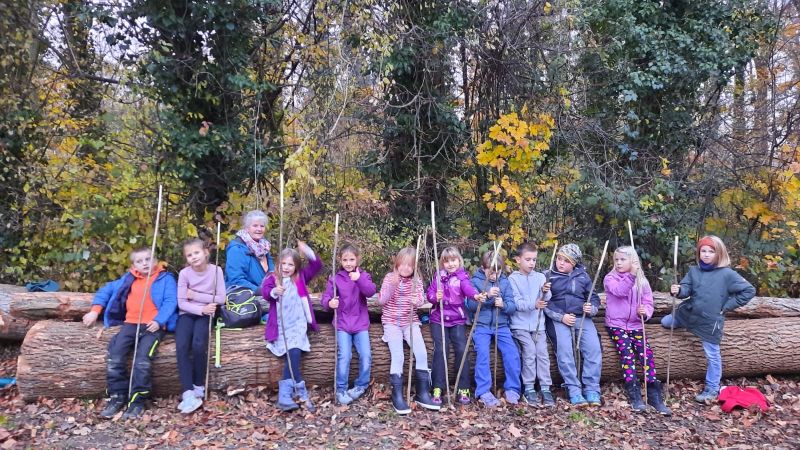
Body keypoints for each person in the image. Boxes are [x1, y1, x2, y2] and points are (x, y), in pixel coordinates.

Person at [82, 248, 178, 419]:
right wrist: (95, 311)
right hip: (130, 324)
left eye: (148, 259)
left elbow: (171, 301)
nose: (145, 263)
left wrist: (159, 320)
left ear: (155, 260)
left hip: (152, 326)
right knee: (115, 356)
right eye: (139, 261)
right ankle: (117, 396)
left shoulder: (165, 279)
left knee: (142, 361)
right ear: (134, 265)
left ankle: (137, 400)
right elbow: (106, 290)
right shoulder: (128, 279)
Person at [662, 235, 755, 403]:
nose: (706, 254)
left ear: (719, 253)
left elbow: (749, 291)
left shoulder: (727, 274)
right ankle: (684, 324)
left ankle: (712, 388)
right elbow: (686, 288)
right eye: (703, 251)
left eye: (711, 251)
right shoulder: (694, 271)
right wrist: (679, 290)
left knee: (712, 354)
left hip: (709, 321)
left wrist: (726, 306)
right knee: (665, 322)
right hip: (689, 313)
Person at [604, 246, 670, 415]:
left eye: (623, 259)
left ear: (633, 261)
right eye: (616, 260)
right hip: (616, 325)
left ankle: (654, 396)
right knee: (627, 355)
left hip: (636, 325)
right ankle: (635, 395)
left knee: (647, 356)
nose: (619, 263)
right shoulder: (610, 278)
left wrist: (645, 312)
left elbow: (648, 302)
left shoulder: (642, 281)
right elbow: (620, 291)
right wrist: (632, 275)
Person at [261, 241, 322, 412]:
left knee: (294, 352)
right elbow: (265, 292)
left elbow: (317, 265)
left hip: (298, 325)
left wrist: (306, 250)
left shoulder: (300, 278)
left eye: (291, 264)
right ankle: (299, 392)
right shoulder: (273, 278)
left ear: (296, 267)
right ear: (278, 263)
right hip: (281, 326)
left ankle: (285, 395)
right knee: (291, 355)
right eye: (283, 264)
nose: (286, 268)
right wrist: (275, 291)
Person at [377, 247, 439, 414]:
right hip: (391, 322)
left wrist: (416, 301)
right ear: (397, 264)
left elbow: (421, 299)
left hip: (410, 322)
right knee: (399, 356)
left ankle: (422, 393)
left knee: (422, 353)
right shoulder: (389, 278)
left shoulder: (416, 281)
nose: (405, 268)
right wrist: (392, 286)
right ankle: (397, 396)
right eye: (403, 264)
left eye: (410, 265)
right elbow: (381, 301)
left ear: (414, 267)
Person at [543, 243, 602, 406]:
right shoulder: (547, 276)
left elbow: (593, 298)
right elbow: (545, 302)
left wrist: (591, 308)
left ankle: (592, 388)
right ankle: (573, 389)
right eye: (559, 258)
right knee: (565, 350)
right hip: (559, 318)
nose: (561, 263)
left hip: (582, 317)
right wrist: (561, 317)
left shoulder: (583, 276)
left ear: (574, 263)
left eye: (566, 261)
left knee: (593, 348)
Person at [321, 243, 377, 405]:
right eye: (345, 260)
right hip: (343, 324)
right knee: (345, 355)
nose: (348, 263)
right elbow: (326, 298)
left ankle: (361, 386)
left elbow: (370, 291)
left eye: (352, 259)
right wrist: (329, 303)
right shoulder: (335, 278)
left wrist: (358, 279)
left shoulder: (363, 276)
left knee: (366, 354)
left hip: (360, 324)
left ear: (357, 259)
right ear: (340, 260)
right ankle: (341, 389)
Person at [174, 238, 226, 414]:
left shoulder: (216, 270)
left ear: (205, 252)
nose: (194, 257)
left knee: (198, 344)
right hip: (188, 313)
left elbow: (221, 298)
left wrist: (195, 296)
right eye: (189, 255)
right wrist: (200, 308)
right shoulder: (184, 274)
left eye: (196, 252)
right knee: (182, 345)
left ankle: (198, 387)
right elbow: (182, 302)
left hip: (207, 313)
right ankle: (188, 392)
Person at [427, 246, 483, 405]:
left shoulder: (462, 277)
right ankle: (437, 387)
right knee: (441, 349)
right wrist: (435, 297)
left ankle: (463, 388)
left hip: (457, 319)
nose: (450, 264)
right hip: (438, 319)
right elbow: (429, 293)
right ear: (442, 263)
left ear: (459, 261)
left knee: (461, 349)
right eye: (447, 261)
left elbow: (468, 289)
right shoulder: (438, 277)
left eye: (453, 260)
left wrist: (475, 296)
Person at [468, 250, 521, 408]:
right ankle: (483, 391)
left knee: (512, 353)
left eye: (497, 272)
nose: (494, 275)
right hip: (482, 326)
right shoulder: (475, 281)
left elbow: (512, 306)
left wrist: (503, 305)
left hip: (501, 326)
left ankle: (513, 388)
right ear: (483, 268)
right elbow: (471, 305)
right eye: (490, 272)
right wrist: (487, 296)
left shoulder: (505, 282)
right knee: (483, 355)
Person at [508, 242, 554, 407]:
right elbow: (516, 302)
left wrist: (545, 291)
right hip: (519, 326)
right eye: (528, 259)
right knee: (529, 351)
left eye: (534, 260)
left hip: (538, 325)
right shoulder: (513, 279)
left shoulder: (540, 277)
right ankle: (528, 387)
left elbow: (546, 299)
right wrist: (533, 304)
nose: (531, 263)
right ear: (518, 260)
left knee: (542, 353)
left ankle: (545, 387)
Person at [226, 210, 275, 292]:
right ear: (247, 228)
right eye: (255, 226)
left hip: (267, 293)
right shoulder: (236, 249)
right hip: (245, 295)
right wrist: (260, 291)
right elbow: (236, 279)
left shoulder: (264, 247)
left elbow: (272, 273)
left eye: (262, 226)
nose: (259, 229)